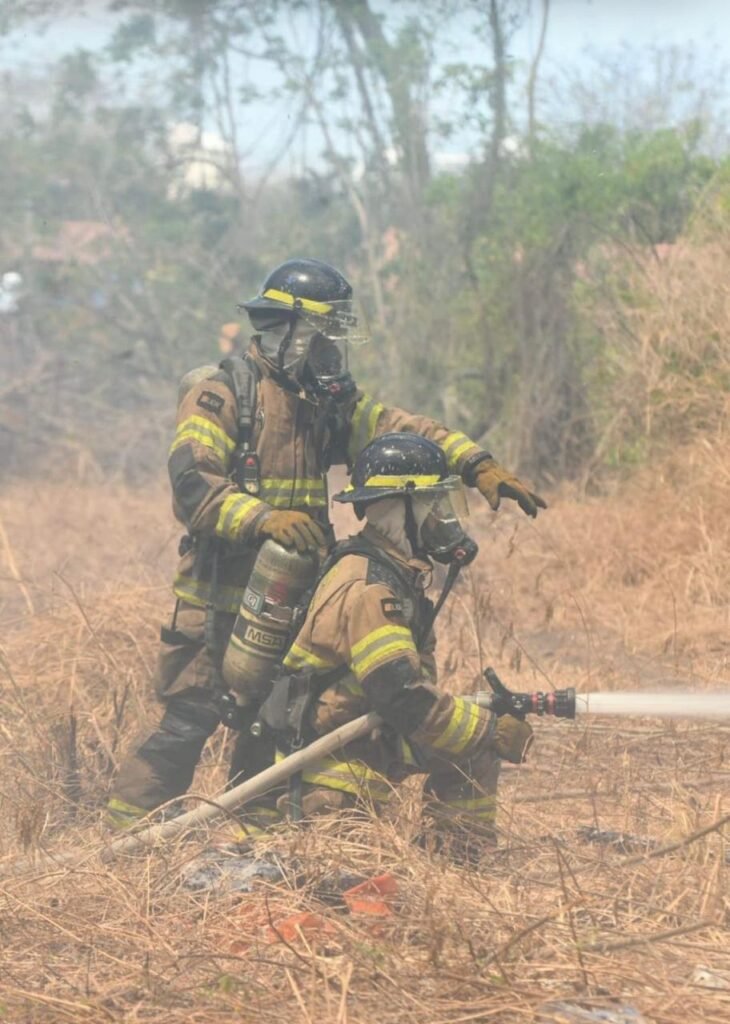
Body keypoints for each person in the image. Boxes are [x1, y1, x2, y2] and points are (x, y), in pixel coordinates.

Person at [107, 258, 544, 829]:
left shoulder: (325, 405)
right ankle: (120, 842)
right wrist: (264, 518)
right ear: (285, 331)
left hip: (291, 594)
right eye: (320, 340)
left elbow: (399, 428)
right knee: (188, 723)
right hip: (216, 599)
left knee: (271, 725)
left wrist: (475, 463)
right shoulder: (223, 395)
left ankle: (252, 838)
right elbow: (193, 484)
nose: (328, 355)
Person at [245, 432, 533, 858]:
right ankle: (441, 866)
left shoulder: (394, 574)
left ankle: (459, 862)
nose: (445, 520)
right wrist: (487, 729)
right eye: (435, 506)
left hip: (363, 741)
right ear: (400, 510)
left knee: (473, 752)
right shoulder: (371, 588)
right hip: (329, 772)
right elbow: (401, 696)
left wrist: (480, 727)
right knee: (353, 882)